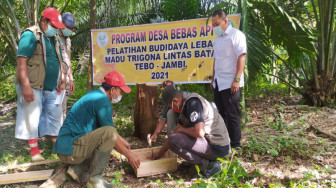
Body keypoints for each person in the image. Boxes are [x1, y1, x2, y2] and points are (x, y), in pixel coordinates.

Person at [53, 71, 140, 188]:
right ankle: (95, 179)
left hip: (67, 148)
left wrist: (123, 141)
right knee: (108, 134)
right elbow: (109, 134)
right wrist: (129, 155)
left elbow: (109, 132)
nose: (121, 94)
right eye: (120, 90)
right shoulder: (102, 101)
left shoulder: (96, 95)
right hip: (71, 149)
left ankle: (77, 170)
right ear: (113, 89)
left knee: (108, 135)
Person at [15, 7, 66, 162]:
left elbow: (59, 60)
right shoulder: (30, 35)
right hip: (34, 85)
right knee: (31, 116)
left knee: (55, 116)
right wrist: (26, 86)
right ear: (44, 21)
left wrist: (62, 79)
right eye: (54, 25)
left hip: (52, 86)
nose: (56, 28)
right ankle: (34, 152)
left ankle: (57, 149)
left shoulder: (54, 38)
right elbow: (21, 61)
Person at [153, 85, 231, 178]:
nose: (170, 109)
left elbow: (200, 132)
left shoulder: (192, 103)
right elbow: (173, 136)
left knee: (175, 140)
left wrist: (181, 129)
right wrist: (158, 154)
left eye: (169, 106)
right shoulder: (184, 106)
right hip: (210, 143)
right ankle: (197, 163)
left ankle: (208, 166)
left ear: (175, 101)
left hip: (218, 147)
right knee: (175, 139)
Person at [211, 10, 247, 148]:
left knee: (232, 114)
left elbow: (241, 57)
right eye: (213, 25)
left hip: (230, 82)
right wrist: (213, 79)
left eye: (217, 24)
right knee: (221, 114)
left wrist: (237, 79)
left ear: (225, 21)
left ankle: (235, 144)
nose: (215, 27)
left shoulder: (236, 35)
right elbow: (216, 60)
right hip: (218, 82)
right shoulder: (217, 39)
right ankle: (225, 143)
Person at [59, 12, 77, 120]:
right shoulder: (54, 37)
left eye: (72, 27)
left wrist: (71, 78)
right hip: (57, 78)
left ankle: (61, 132)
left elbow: (68, 60)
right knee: (55, 107)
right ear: (61, 23)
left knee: (63, 107)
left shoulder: (68, 39)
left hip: (66, 78)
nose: (70, 29)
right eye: (68, 26)